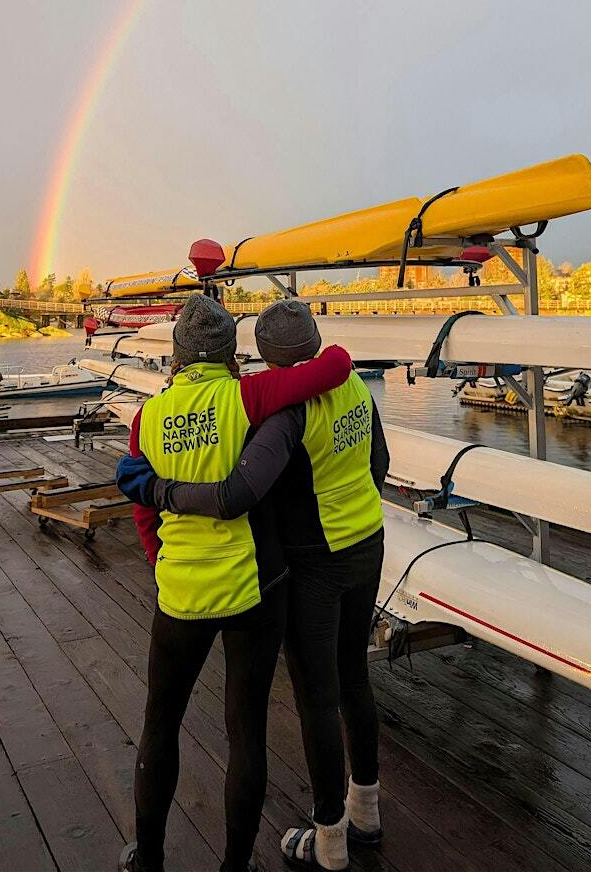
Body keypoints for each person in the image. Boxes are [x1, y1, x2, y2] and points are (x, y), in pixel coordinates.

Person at [123, 300, 389, 871]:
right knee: (314, 698)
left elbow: (210, 500)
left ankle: (326, 844)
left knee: (171, 720)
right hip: (339, 552)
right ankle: (349, 819)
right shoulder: (333, 393)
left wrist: (160, 543)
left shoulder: (155, 417)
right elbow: (377, 462)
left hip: (228, 580)